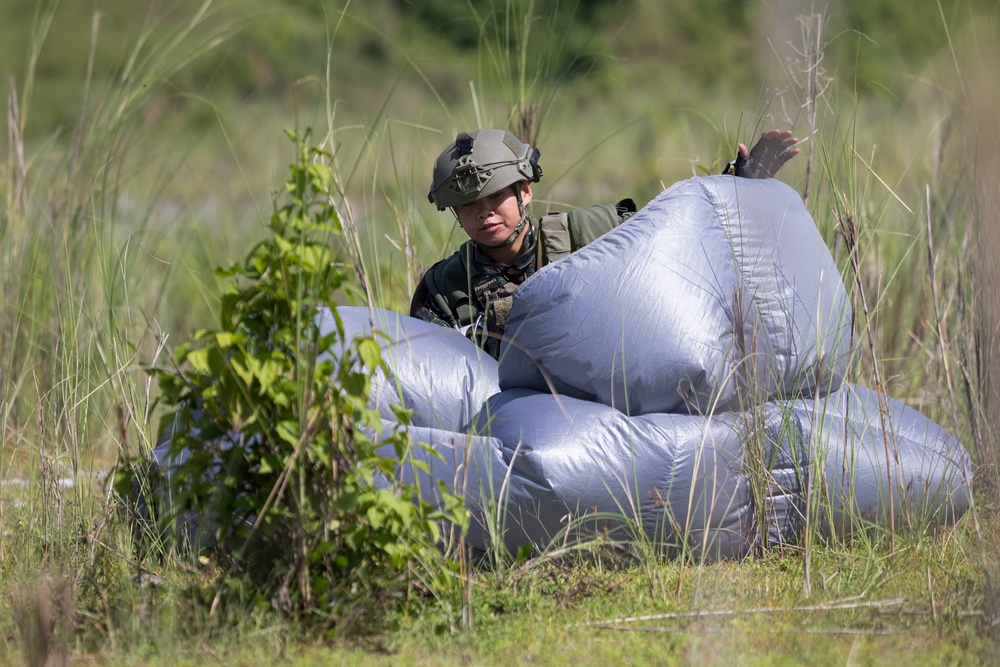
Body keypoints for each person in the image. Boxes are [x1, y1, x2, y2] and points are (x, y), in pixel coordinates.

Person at [410, 128, 799, 357]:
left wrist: (737, 184)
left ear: (525, 192)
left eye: (495, 197)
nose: (485, 213)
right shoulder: (444, 290)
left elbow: (677, 238)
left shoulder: (591, 233)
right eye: (468, 206)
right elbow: (433, 382)